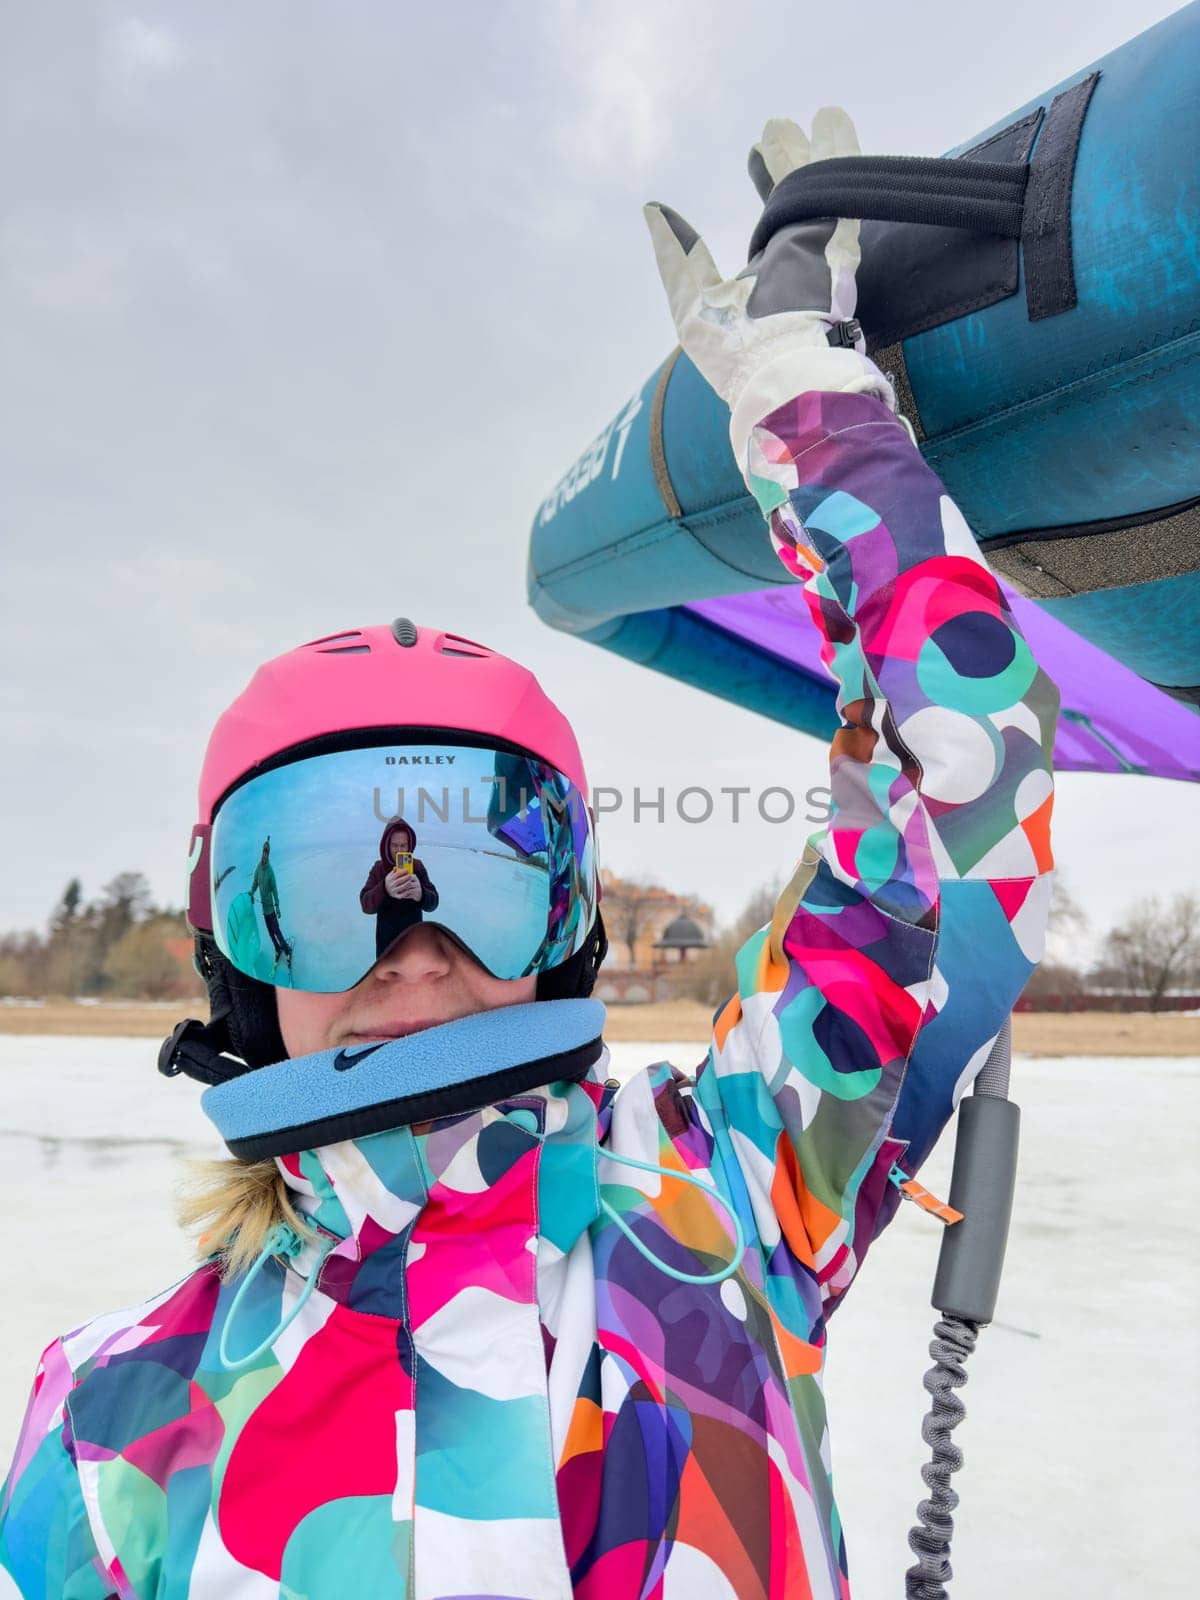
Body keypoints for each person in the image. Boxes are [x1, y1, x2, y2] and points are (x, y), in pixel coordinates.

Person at [0, 111, 1058, 1599]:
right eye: (324, 894)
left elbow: (969, 785)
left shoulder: (737, 1191)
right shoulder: (115, 1436)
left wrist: (816, 415)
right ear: (231, 958)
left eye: (482, 877)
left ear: (564, 918)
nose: (413, 941)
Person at [359, 816, 440, 959]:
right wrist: (384, 888)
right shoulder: (379, 869)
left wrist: (422, 895)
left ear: (410, 845)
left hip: (415, 944)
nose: (399, 850)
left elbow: (433, 903)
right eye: (395, 845)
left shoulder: (417, 866)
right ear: (387, 845)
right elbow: (365, 904)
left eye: (403, 845)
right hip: (387, 947)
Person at [249, 837, 292, 969]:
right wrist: (251, 892)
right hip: (264, 908)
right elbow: (255, 882)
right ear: (262, 853)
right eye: (264, 853)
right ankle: (277, 949)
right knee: (270, 933)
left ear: (269, 855)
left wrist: (277, 906)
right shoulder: (258, 868)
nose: (265, 856)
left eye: (267, 854)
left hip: (271, 908)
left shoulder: (270, 871)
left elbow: (274, 890)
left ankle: (287, 950)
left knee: (276, 931)